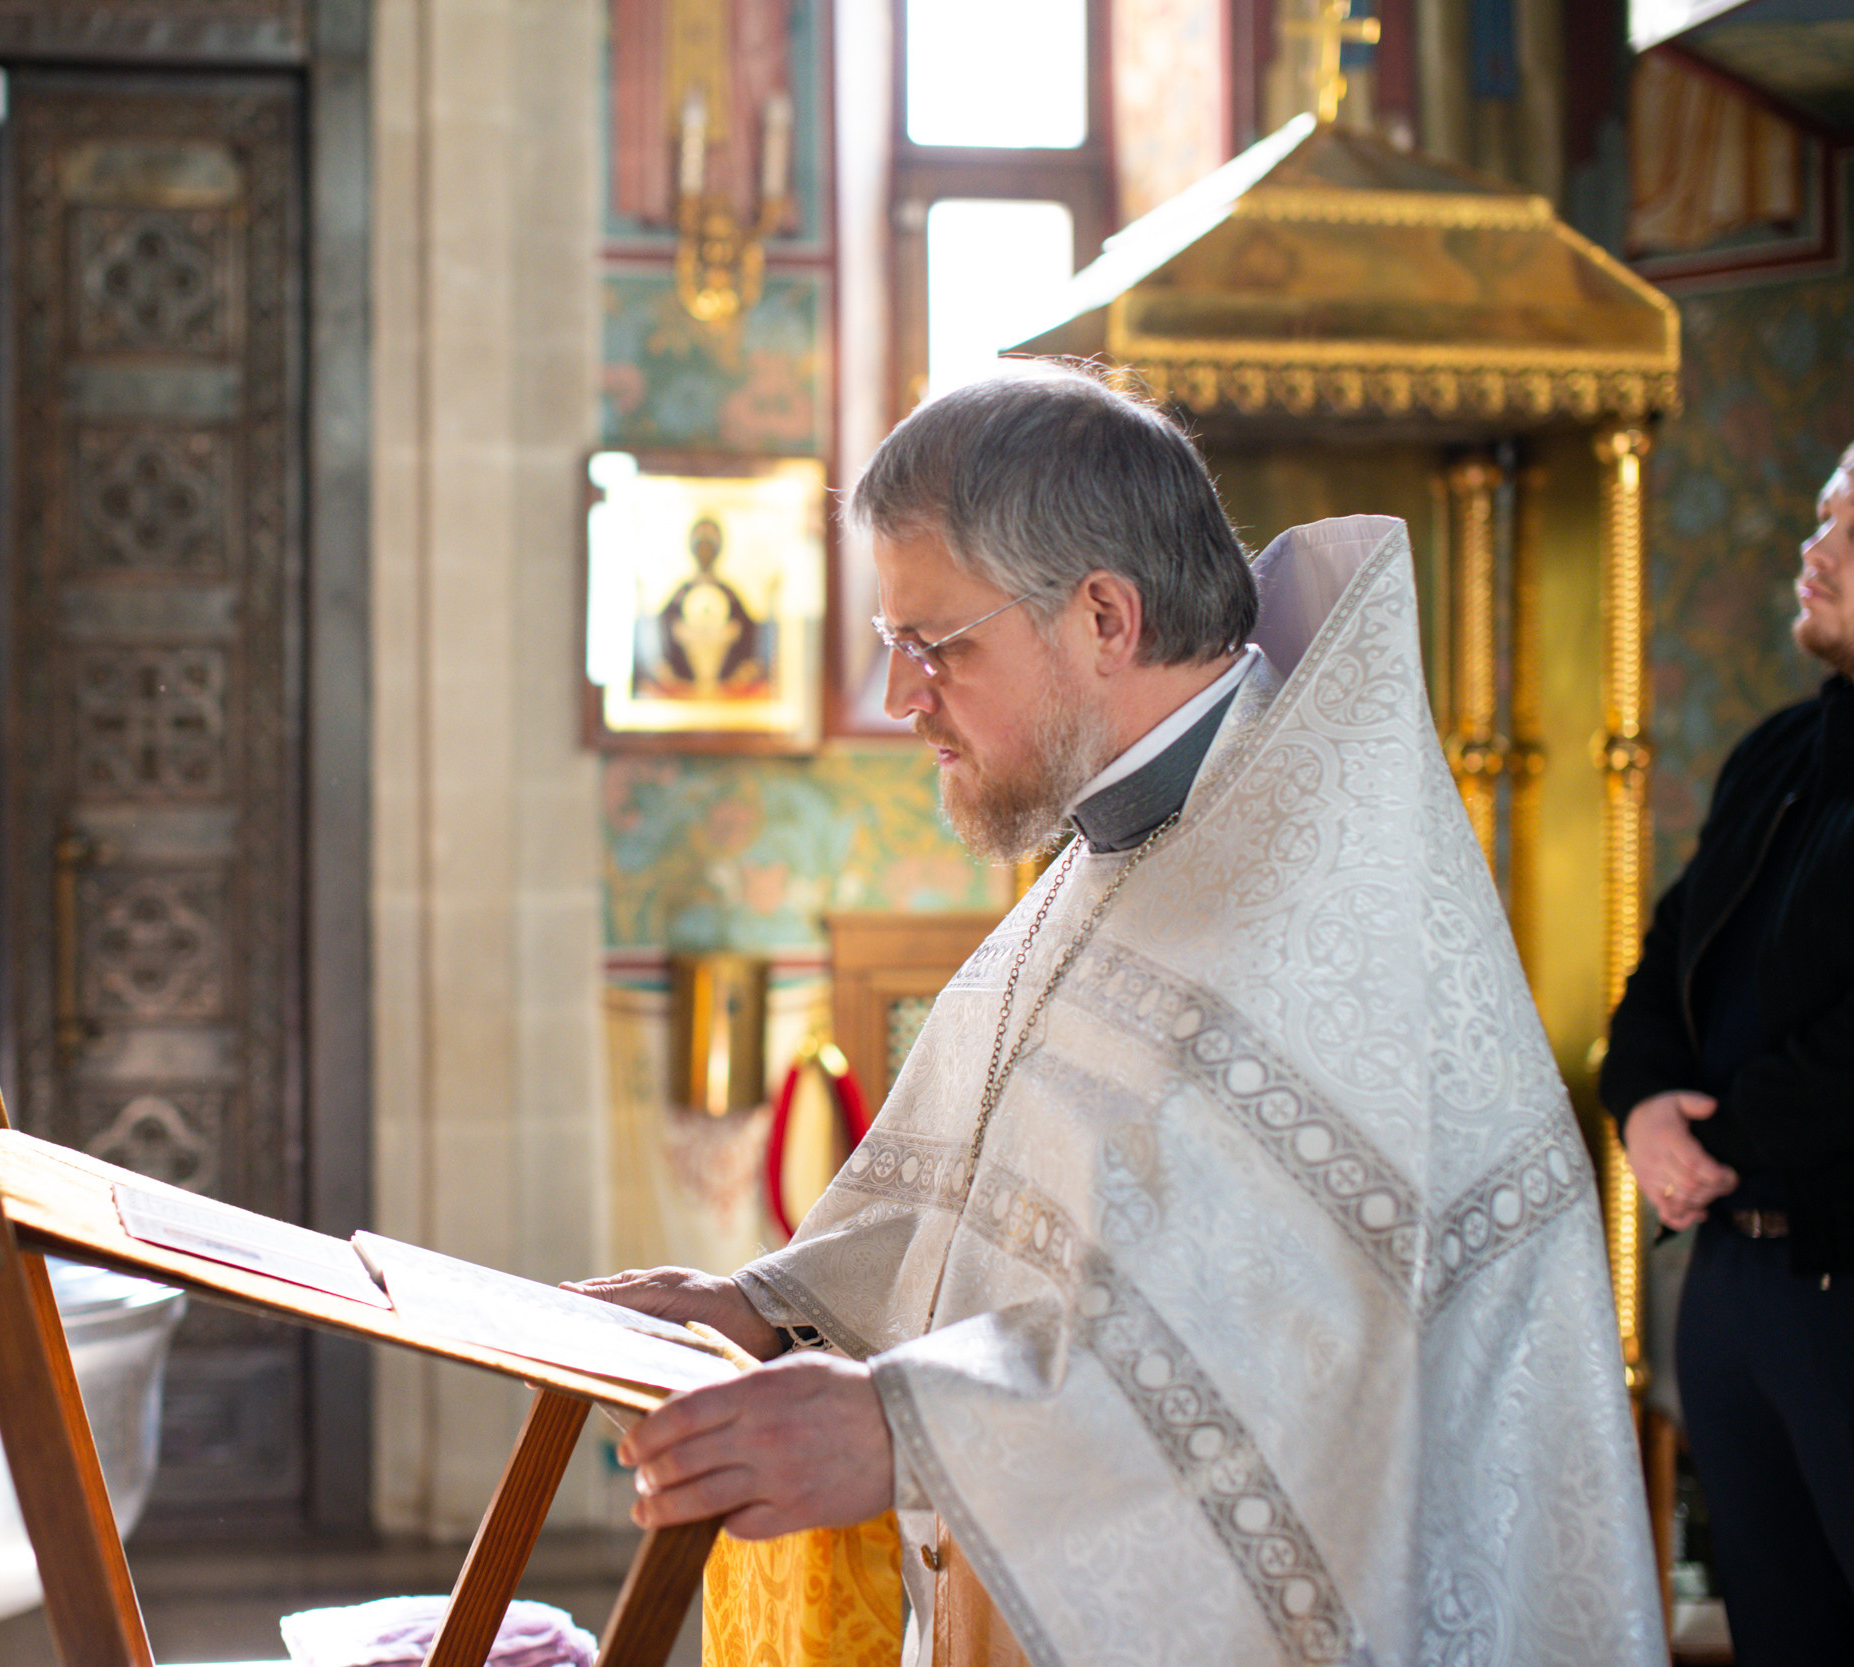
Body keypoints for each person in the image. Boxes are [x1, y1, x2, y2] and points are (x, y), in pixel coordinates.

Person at [574, 364, 1662, 1666]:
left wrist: (902, 1426)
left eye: (937, 645)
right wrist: (768, 1307)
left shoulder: (1316, 890)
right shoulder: (1132, 841)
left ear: (1102, 615)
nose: (904, 696)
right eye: (893, 644)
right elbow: (986, 1202)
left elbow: (1285, 1350)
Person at [1599, 442, 1854, 1662]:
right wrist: (1644, 1103)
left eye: (1851, 527)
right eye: (1821, 515)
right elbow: (1665, 962)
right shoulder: (1775, 752)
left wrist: (1716, 1140)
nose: (1814, 548)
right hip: (1732, 1282)